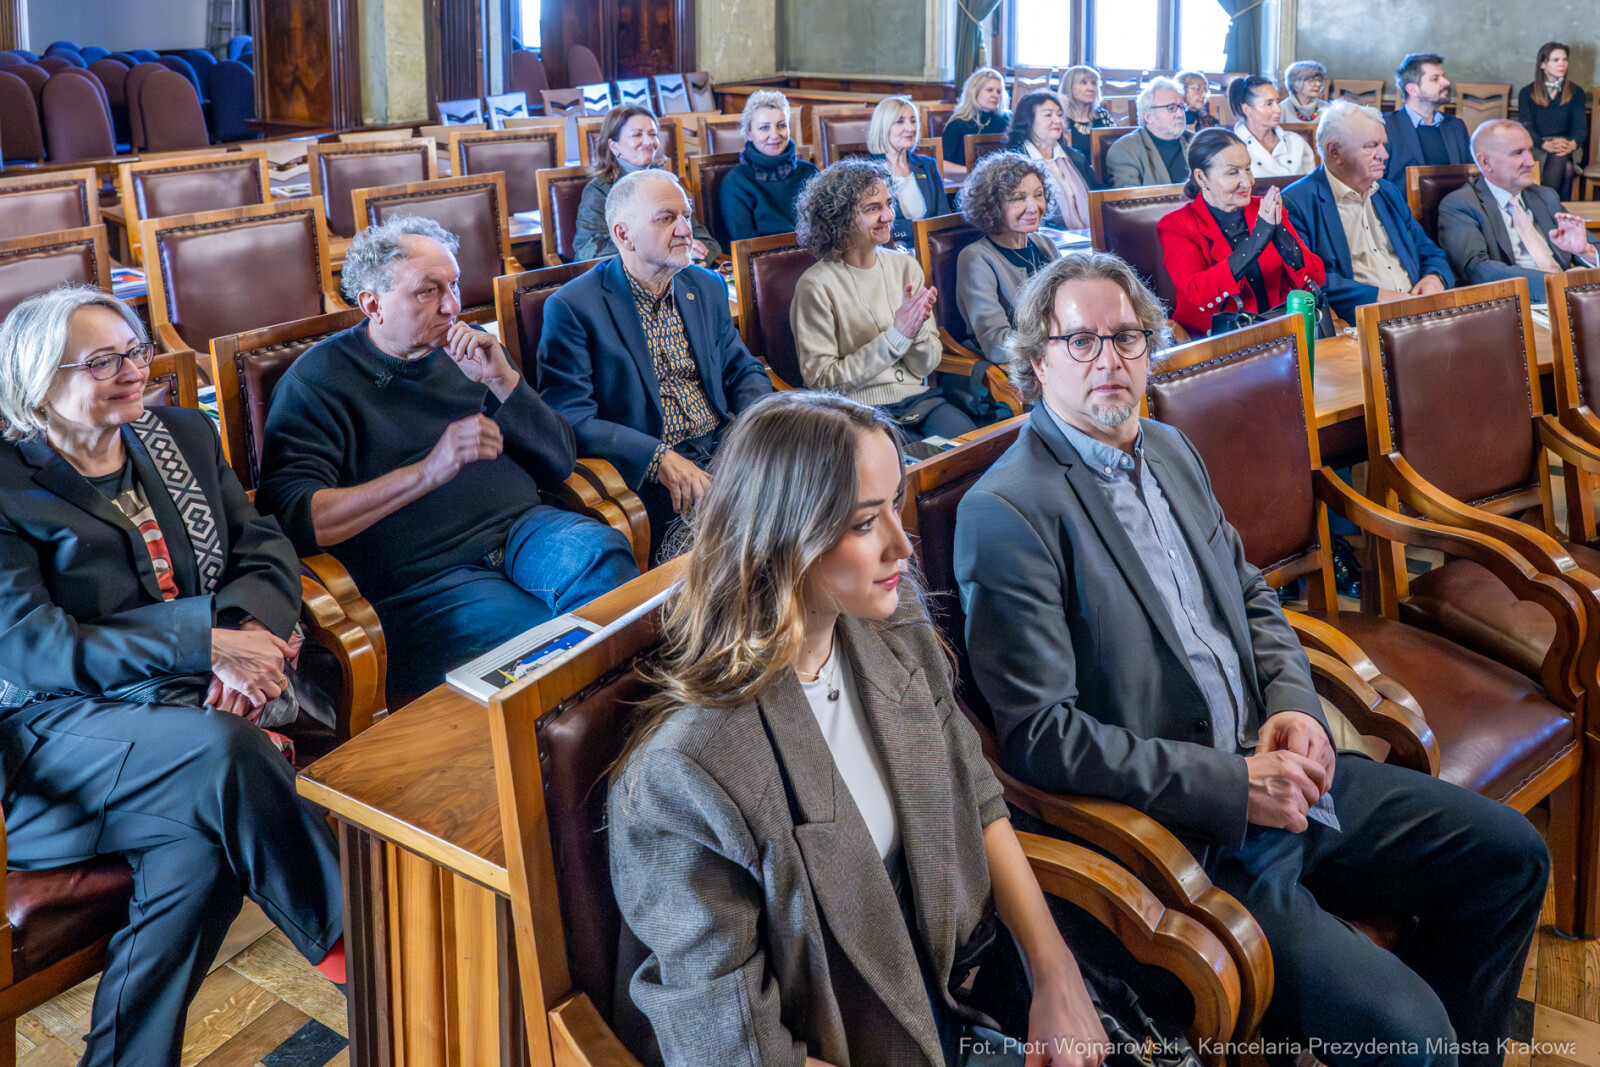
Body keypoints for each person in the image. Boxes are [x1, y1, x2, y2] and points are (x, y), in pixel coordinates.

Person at [952, 250, 1548, 1067]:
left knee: (1512, 856)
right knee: (1411, 1035)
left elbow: (1254, 598)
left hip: (1287, 768)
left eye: (1126, 337)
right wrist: (1236, 786)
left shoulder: (1167, 448)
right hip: (1194, 832)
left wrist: (1296, 706)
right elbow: (1042, 736)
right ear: (1035, 360)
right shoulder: (1010, 510)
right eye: (1081, 341)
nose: (1109, 360)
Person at [609, 389, 1109, 1067]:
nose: (902, 545)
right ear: (786, 536)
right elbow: (732, 1048)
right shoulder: (684, 774)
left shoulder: (890, 625)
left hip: (970, 999)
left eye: (895, 506)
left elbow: (976, 793)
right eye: (866, 523)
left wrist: (1056, 973)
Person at [0, 287, 346, 1065]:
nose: (132, 371)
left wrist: (250, 634)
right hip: (50, 745)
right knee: (227, 756)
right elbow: (36, 652)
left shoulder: (180, 435)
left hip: (184, 723)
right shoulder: (4, 483)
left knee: (200, 848)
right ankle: (353, 949)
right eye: (102, 360)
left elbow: (262, 545)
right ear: (34, 379)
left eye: (136, 350)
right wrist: (204, 644)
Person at [258, 215, 639, 693]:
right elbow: (298, 522)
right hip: (428, 578)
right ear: (372, 303)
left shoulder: (468, 351)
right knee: (535, 640)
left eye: (455, 286)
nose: (452, 307)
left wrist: (503, 381)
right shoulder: (317, 382)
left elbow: (560, 462)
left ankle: (631, 720)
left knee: (603, 556)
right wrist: (428, 472)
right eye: (427, 291)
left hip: (526, 530)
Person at [540, 169, 774, 558]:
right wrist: (657, 457)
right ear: (623, 234)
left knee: (837, 505)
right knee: (761, 548)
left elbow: (742, 369)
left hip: (727, 447)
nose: (686, 229)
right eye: (667, 218)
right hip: (657, 476)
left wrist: (759, 428)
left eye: (686, 215)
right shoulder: (573, 307)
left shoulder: (705, 285)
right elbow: (571, 417)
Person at [790, 159, 977, 439]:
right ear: (839, 217)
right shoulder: (815, 285)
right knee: (913, 469)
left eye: (889, 203)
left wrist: (915, 334)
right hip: (857, 414)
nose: (889, 215)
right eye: (872, 208)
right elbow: (822, 382)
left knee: (974, 449)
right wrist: (897, 337)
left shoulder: (905, 267)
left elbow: (925, 365)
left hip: (918, 401)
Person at [1283, 99, 1452, 322]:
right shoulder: (1297, 202)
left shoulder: (1387, 192)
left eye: (1383, 144)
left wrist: (1435, 277)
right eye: (1371, 146)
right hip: (1355, 321)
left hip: (1415, 311)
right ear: (1334, 151)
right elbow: (1307, 278)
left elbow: (1427, 249)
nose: (1384, 155)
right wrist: (1378, 298)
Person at [1158, 128, 1325, 336]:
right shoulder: (1177, 225)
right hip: (1215, 343)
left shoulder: (1263, 209)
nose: (1248, 182)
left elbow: (1315, 277)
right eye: (1232, 172)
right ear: (1201, 178)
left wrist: (1279, 232)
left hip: (1278, 333)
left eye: (1247, 169)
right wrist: (1260, 236)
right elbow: (1199, 294)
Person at [1437, 118, 1599, 302]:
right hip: (1516, 307)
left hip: (1571, 299)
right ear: (1486, 162)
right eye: (1517, 153)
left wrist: (1585, 252)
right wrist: (1559, 284)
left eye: (1530, 150)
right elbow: (1478, 270)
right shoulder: (1460, 205)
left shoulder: (1545, 196)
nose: (1531, 162)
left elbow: (1594, 248)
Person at [573, 105, 721, 263]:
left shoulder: (668, 183)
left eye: (653, 134)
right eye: (637, 135)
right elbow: (589, 252)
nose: (649, 141)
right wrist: (665, 251)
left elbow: (706, 241)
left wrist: (697, 256)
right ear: (614, 146)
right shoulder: (598, 190)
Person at [956, 150, 1061, 359]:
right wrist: (1061, 346)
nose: (1033, 207)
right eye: (1018, 198)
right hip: (1017, 372)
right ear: (992, 207)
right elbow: (997, 344)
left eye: (1038, 195)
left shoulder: (1045, 245)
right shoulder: (976, 258)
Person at [718, 89, 822, 243]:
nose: (774, 135)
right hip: (765, 264)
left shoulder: (809, 172)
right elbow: (746, 246)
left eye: (781, 125)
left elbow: (827, 228)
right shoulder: (735, 182)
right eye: (764, 128)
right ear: (749, 133)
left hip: (818, 259)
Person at [1004, 89, 1098, 229]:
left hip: (1090, 235)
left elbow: (1099, 196)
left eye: (1060, 115)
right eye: (1048, 115)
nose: (1057, 120)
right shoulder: (1014, 163)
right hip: (1045, 238)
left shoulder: (1075, 158)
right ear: (1027, 121)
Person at [867, 94, 951, 247]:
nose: (911, 128)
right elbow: (875, 225)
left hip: (932, 248)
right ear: (883, 127)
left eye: (913, 121)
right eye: (900, 121)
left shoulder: (928, 165)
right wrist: (921, 232)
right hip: (890, 252)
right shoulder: (868, 172)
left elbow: (944, 217)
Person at [1383, 52, 1470, 181]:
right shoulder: (1385, 126)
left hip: (1453, 200)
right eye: (1435, 79)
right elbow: (1376, 183)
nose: (1446, 82)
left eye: (1443, 77)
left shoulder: (1456, 125)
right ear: (1413, 90)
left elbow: (1469, 176)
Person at [1517, 41, 1588, 200]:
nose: (1562, 64)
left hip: (1568, 147)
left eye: (1564, 60)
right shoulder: (1526, 93)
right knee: (1567, 169)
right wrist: (1544, 144)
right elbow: (1526, 127)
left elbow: (1580, 128)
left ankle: (1543, 203)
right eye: (1556, 60)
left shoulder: (1576, 92)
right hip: (1538, 146)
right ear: (1543, 64)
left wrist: (1572, 144)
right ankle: (1558, 211)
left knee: (1560, 153)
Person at [1105, 76, 1195, 189]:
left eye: (1182, 107)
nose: (1180, 114)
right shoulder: (1124, 150)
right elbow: (1131, 203)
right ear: (1148, 116)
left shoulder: (1197, 142)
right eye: (1171, 108)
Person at [1230, 75, 1314, 178]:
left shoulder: (1296, 142)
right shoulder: (1232, 149)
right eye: (1269, 104)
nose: (1278, 109)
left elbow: (1312, 185)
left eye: (1278, 102)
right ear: (1247, 109)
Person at [942, 66, 1011, 172]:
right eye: (989, 90)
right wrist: (974, 172)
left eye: (998, 91)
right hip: (966, 181)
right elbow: (942, 163)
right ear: (974, 93)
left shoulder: (1006, 119)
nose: (995, 95)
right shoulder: (958, 123)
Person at [1061, 65, 1117, 156]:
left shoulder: (1102, 115)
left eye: (1094, 83)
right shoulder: (1061, 118)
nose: (1091, 88)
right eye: (1084, 83)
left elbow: (1116, 146)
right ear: (1069, 87)